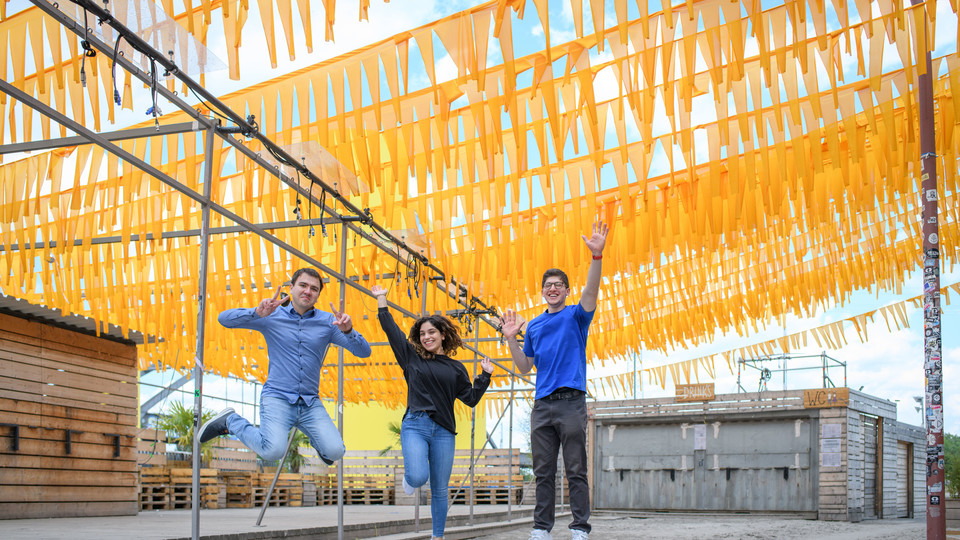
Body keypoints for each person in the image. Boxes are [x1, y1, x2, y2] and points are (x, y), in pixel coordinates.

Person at [197, 267, 372, 466]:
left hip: (309, 402)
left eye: (314, 289)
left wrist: (349, 331)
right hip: (277, 397)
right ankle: (231, 421)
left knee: (335, 451)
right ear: (291, 288)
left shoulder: (328, 322)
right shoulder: (271, 315)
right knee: (273, 452)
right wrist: (257, 312)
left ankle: (321, 443)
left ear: (318, 296)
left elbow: (364, 352)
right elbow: (224, 319)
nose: (308, 291)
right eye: (303, 285)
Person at [500, 221, 609, 540]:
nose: (553, 288)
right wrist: (511, 340)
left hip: (572, 403)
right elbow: (523, 367)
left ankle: (579, 528)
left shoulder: (577, 315)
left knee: (576, 470)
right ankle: (541, 528)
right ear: (543, 290)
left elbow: (591, 292)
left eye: (559, 284)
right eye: (549, 284)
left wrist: (597, 257)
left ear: (566, 290)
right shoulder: (532, 326)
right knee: (543, 471)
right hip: (542, 407)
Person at [371, 284, 493, 540]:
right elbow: (392, 331)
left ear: (442, 335)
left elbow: (470, 399)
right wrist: (382, 300)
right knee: (417, 476)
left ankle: (438, 536)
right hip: (416, 424)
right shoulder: (411, 359)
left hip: (444, 432)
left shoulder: (456, 367)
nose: (427, 337)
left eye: (432, 332)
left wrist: (484, 376)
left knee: (440, 489)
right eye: (422, 333)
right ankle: (410, 479)